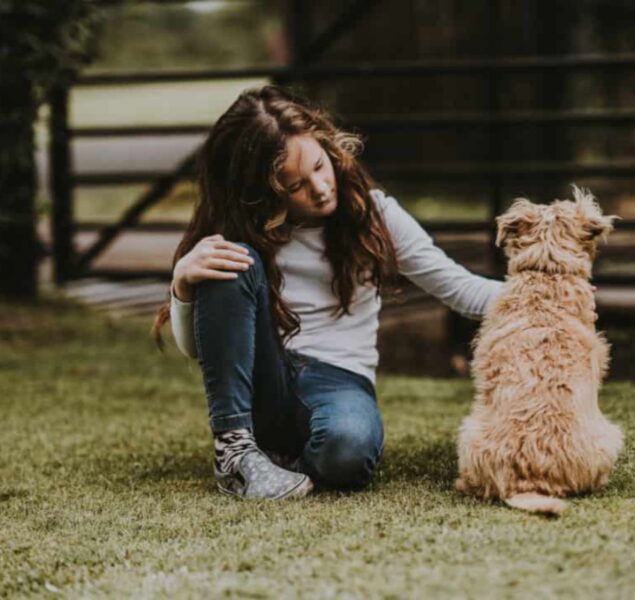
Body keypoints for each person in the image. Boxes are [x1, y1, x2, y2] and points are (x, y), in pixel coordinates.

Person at [153, 85, 502, 500]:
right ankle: (235, 454)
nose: (320, 188)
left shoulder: (376, 216)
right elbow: (198, 351)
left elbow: (460, 289)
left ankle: (278, 463)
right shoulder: (237, 236)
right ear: (262, 192)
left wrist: (550, 295)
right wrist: (183, 285)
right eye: (295, 185)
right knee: (230, 258)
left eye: (320, 166)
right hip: (265, 377)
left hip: (340, 380)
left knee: (348, 453)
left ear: (330, 148)